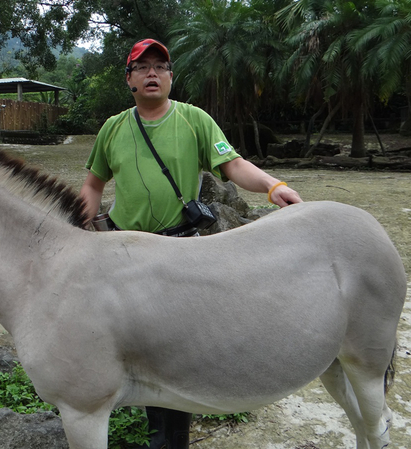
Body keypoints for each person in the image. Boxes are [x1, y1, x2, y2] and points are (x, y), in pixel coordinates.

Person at [78, 38, 303, 448]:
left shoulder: (194, 120)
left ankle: (170, 436)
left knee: (172, 351)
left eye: (160, 66)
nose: (152, 73)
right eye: (142, 66)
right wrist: (75, 226)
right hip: (124, 254)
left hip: (179, 253)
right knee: (128, 342)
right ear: (128, 78)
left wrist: (273, 186)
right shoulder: (113, 128)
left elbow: (233, 165)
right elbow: (93, 184)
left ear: (170, 77)